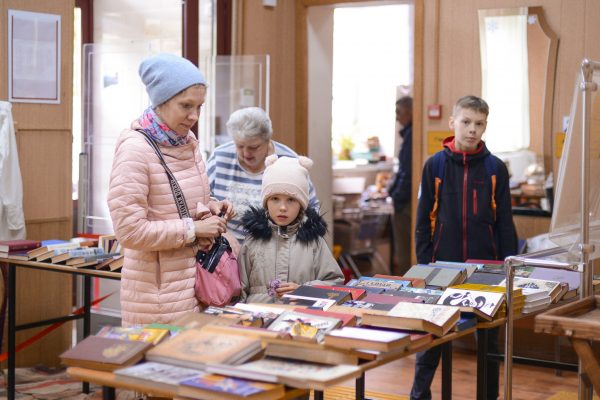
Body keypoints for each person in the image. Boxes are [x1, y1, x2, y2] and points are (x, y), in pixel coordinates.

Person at [107, 53, 234, 326]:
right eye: (186, 105)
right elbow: (129, 232)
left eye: (199, 106)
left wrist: (210, 208)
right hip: (156, 294)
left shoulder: (186, 141)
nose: (194, 116)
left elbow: (178, 204)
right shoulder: (135, 149)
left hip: (195, 282)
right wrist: (193, 230)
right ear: (160, 102)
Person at [411, 95, 518, 400]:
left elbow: (504, 223)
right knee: (433, 335)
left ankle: (489, 396)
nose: (473, 129)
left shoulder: (497, 168)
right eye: (466, 122)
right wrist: (425, 266)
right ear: (452, 123)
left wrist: (507, 268)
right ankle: (419, 395)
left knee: (489, 342)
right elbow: (423, 221)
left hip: (487, 270)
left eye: (479, 123)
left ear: (486, 126)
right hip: (441, 268)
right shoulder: (434, 165)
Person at [238, 155, 344, 304]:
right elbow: (238, 289)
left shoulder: (314, 242)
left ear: (301, 204)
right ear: (266, 202)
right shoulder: (253, 241)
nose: (282, 207)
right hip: (258, 319)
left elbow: (335, 281)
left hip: (300, 320)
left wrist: (303, 290)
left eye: (291, 199)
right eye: (275, 198)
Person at [207, 107, 319, 241]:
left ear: (268, 140)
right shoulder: (220, 157)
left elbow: (312, 209)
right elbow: (203, 199)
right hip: (226, 248)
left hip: (274, 249)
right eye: (239, 146)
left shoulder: (288, 160)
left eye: (253, 147)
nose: (246, 153)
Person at [388, 96, 413, 275]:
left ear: (410, 112)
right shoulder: (408, 134)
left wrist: (396, 196)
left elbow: (407, 172)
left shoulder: (412, 136)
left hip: (405, 203)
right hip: (402, 199)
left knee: (404, 251)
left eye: (399, 113)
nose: (397, 118)